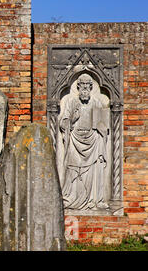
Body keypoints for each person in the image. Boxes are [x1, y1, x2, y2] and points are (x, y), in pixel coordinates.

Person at [59, 74, 109, 210]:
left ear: (91, 88)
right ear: (78, 87)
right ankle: (69, 198)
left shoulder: (96, 103)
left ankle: (94, 200)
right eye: (83, 87)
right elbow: (63, 124)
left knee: (93, 171)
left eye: (88, 87)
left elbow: (103, 126)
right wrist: (73, 119)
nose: (85, 90)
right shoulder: (71, 102)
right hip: (75, 141)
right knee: (72, 170)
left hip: (93, 142)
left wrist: (101, 128)